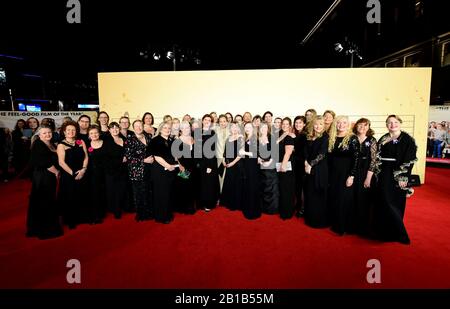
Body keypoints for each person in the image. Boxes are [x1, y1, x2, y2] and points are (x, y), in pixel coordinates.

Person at [372, 115, 417, 244]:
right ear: (387, 125)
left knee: (393, 203)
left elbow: (409, 159)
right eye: (390, 123)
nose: (393, 125)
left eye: (395, 122)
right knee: (383, 202)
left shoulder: (408, 140)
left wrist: (403, 177)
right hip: (382, 173)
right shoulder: (384, 138)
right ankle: (382, 232)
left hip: (396, 175)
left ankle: (398, 233)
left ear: (400, 123)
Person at [26, 125, 63, 239]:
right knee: (44, 201)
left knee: (48, 200)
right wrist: (57, 172)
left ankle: (45, 226)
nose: (47, 134)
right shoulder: (38, 144)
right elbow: (46, 163)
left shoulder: (50, 144)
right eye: (44, 133)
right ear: (39, 135)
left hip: (48, 177)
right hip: (43, 177)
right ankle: (45, 230)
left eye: (49, 132)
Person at [327, 116, 359, 235]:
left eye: (344, 123)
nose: (341, 125)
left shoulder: (352, 138)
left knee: (343, 199)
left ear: (348, 124)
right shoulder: (332, 138)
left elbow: (356, 158)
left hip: (345, 173)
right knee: (335, 197)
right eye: (339, 123)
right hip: (334, 173)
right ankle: (336, 223)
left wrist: (351, 175)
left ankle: (344, 226)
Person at [57, 121, 89, 229]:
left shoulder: (81, 142)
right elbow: (61, 162)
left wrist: (83, 170)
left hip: (82, 172)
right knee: (70, 197)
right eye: (69, 130)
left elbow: (86, 157)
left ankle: (83, 218)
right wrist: (73, 173)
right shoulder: (61, 145)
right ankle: (71, 220)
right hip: (69, 175)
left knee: (82, 195)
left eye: (73, 130)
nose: (71, 132)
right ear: (64, 132)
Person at [352, 118, 377, 236]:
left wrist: (368, 178)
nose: (362, 127)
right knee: (352, 198)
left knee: (363, 199)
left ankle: (362, 227)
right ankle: (351, 224)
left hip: (365, 173)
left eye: (365, 125)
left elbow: (373, 161)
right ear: (356, 126)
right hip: (352, 171)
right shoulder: (352, 138)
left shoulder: (372, 140)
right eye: (360, 125)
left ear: (369, 127)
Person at [125, 120, 154, 221]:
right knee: (139, 193)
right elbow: (128, 157)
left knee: (149, 191)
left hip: (150, 169)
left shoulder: (149, 137)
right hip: (137, 170)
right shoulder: (130, 140)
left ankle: (150, 213)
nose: (139, 128)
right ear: (133, 128)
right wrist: (143, 160)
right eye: (136, 126)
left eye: (140, 126)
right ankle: (141, 215)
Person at [304, 116, 329, 228]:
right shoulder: (309, 136)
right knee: (310, 193)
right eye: (316, 124)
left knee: (318, 194)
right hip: (308, 167)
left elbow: (322, 154)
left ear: (324, 126)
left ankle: (318, 220)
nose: (318, 126)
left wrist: (311, 164)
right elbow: (305, 151)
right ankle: (310, 218)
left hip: (319, 168)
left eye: (320, 124)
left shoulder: (325, 137)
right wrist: (305, 162)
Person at [152, 121, 178, 223]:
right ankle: (161, 216)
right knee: (161, 193)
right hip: (160, 171)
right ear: (160, 129)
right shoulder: (156, 140)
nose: (167, 130)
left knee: (168, 192)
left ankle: (168, 213)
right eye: (165, 128)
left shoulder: (170, 140)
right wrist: (167, 165)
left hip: (170, 170)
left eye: (169, 128)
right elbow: (157, 156)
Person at [103, 122, 128, 219]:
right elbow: (106, 158)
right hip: (112, 170)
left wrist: (126, 157)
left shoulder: (124, 139)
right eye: (112, 128)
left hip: (124, 169)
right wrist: (120, 160)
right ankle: (115, 210)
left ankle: (122, 207)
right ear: (109, 130)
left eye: (116, 128)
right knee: (113, 191)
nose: (115, 130)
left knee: (122, 189)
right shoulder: (106, 141)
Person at [173, 121, 196, 214]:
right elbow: (175, 156)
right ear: (181, 129)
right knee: (184, 186)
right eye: (184, 128)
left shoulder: (192, 138)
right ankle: (184, 208)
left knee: (191, 186)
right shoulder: (177, 140)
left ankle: (190, 206)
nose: (186, 129)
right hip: (183, 167)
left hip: (192, 166)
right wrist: (180, 165)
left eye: (188, 127)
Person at [221, 121, 244, 211]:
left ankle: (236, 204)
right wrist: (223, 160)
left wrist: (233, 163)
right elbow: (225, 152)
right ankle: (229, 202)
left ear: (238, 128)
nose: (234, 129)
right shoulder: (228, 138)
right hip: (228, 164)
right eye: (232, 127)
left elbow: (241, 154)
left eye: (236, 127)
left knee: (237, 183)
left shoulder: (241, 138)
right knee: (229, 182)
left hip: (237, 164)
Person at [198, 114, 220, 211]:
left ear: (211, 123)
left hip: (209, 162)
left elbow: (212, 150)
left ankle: (209, 204)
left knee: (209, 184)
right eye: (205, 119)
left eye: (209, 120)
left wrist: (209, 165)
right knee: (201, 184)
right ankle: (201, 203)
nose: (207, 121)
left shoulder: (213, 133)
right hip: (199, 163)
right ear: (202, 121)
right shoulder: (197, 132)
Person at [86, 125, 107, 224]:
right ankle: (95, 215)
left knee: (102, 192)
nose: (94, 135)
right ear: (89, 135)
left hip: (105, 173)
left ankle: (102, 212)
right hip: (91, 174)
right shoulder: (85, 144)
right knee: (94, 194)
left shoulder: (105, 143)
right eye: (91, 133)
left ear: (99, 133)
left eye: (96, 132)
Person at [241, 122, 262, 219]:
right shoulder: (247, 138)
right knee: (248, 186)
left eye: (249, 127)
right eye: (246, 127)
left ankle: (253, 210)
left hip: (253, 166)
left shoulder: (254, 138)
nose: (247, 128)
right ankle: (248, 206)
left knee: (252, 186)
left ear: (253, 128)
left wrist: (244, 152)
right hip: (247, 165)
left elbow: (255, 154)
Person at [277, 117, 296, 220]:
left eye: (286, 124)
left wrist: (283, 165)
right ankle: (283, 209)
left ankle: (286, 212)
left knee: (286, 189)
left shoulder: (289, 137)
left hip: (286, 166)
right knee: (283, 188)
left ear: (290, 125)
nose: (284, 125)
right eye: (283, 124)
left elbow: (288, 152)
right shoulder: (282, 135)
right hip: (280, 165)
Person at [258, 122, 279, 214]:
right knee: (262, 187)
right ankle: (263, 207)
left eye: (265, 128)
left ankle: (271, 208)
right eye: (262, 127)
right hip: (260, 166)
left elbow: (275, 152)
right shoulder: (257, 138)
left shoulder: (272, 138)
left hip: (270, 165)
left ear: (268, 128)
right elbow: (255, 151)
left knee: (271, 187)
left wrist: (269, 162)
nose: (263, 129)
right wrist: (258, 158)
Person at [293, 116, 307, 217]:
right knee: (297, 186)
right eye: (296, 122)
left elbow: (304, 152)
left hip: (301, 164)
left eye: (300, 123)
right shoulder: (296, 134)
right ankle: (298, 206)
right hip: (296, 164)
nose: (298, 124)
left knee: (302, 187)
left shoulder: (304, 135)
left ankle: (302, 208)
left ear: (304, 124)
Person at [215, 114, 229, 193]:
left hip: (226, 158)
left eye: (224, 121)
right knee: (217, 177)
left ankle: (223, 195)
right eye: (220, 121)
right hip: (217, 158)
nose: (222, 123)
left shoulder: (230, 131)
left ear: (227, 122)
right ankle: (218, 196)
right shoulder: (215, 130)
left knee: (225, 177)